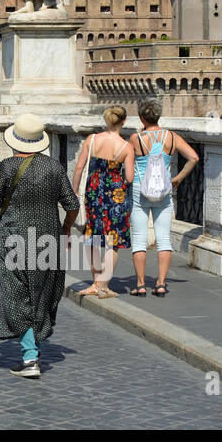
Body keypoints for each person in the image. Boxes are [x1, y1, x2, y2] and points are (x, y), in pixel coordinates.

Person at [0, 113, 79, 378]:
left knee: (17, 294)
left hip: (15, 238)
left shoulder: (7, 167)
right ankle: (33, 350)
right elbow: (72, 204)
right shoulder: (53, 167)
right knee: (41, 294)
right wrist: (65, 228)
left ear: (15, 140)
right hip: (48, 237)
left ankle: (30, 357)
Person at [128, 98, 198, 297]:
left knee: (140, 239)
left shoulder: (135, 139)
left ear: (142, 117)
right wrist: (178, 178)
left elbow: (126, 165)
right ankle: (160, 283)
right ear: (158, 116)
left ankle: (140, 285)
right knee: (164, 239)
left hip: (139, 192)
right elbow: (194, 157)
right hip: (164, 192)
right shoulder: (172, 137)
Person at [70, 105, 134, 298]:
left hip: (94, 191)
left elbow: (79, 168)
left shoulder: (92, 139)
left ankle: (95, 282)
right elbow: (129, 178)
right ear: (123, 121)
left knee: (93, 236)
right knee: (112, 240)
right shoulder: (126, 147)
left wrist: (74, 191)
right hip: (115, 194)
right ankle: (104, 285)